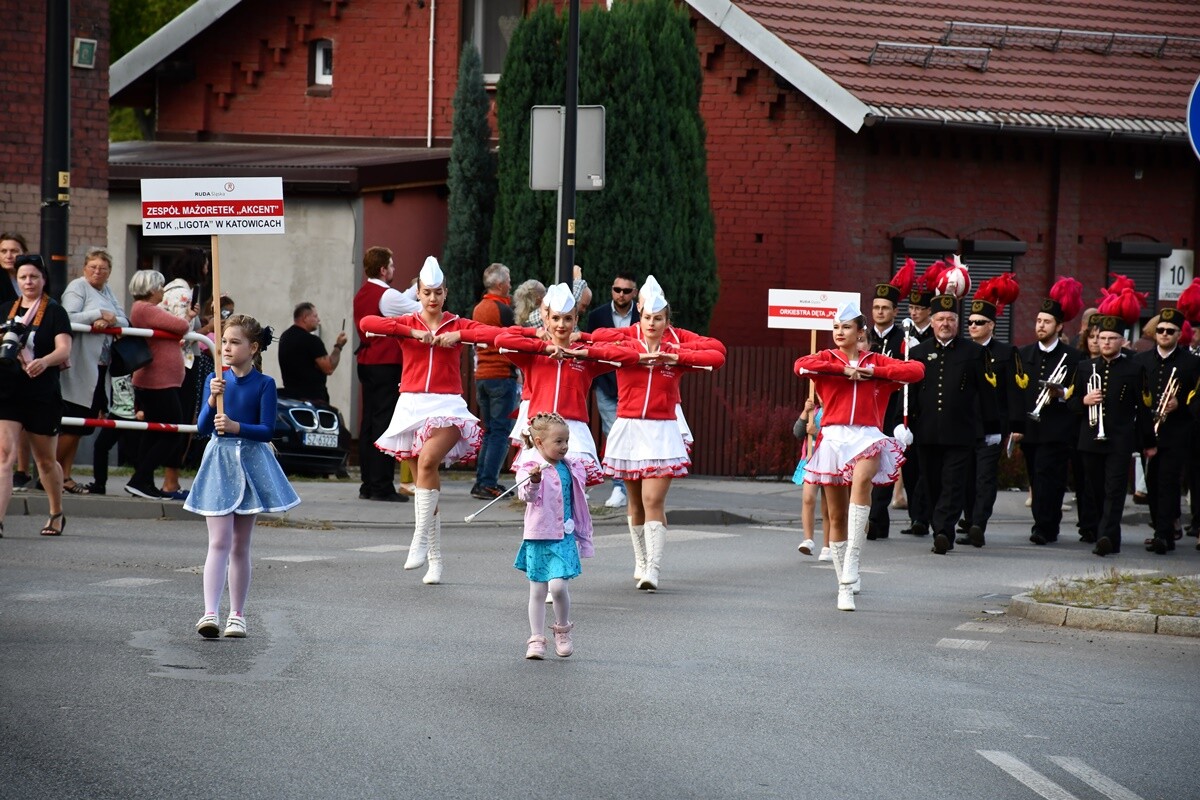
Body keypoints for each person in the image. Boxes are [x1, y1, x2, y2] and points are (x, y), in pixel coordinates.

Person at [359, 256, 506, 585]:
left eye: (438, 292)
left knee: (426, 463)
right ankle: (436, 560)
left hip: (447, 405)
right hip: (411, 404)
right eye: (426, 292)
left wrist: (461, 338)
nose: (432, 299)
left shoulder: (457, 324)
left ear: (446, 293)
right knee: (425, 483)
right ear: (419, 293)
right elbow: (368, 323)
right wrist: (410, 331)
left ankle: (418, 540)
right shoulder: (408, 320)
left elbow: (494, 333)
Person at [588, 276, 725, 592]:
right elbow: (596, 338)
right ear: (640, 313)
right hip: (629, 427)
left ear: (667, 319)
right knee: (634, 501)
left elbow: (716, 353)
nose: (652, 323)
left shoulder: (674, 345)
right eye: (647, 317)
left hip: (663, 428)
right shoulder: (627, 340)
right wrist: (634, 349)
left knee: (653, 499)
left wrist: (677, 356)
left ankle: (654, 568)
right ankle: (640, 559)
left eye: (659, 318)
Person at [794, 302, 924, 610]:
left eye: (846, 327)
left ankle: (853, 558)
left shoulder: (876, 361)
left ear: (860, 332)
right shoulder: (826, 359)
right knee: (836, 516)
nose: (840, 333)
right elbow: (801, 365)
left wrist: (871, 372)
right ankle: (844, 584)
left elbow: (916, 370)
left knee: (862, 479)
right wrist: (842, 370)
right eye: (836, 328)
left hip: (867, 435)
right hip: (833, 437)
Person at [186, 314, 299, 638]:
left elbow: (266, 430)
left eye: (234, 342)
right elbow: (203, 428)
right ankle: (210, 613)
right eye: (224, 342)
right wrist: (210, 399)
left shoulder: (264, 384)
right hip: (219, 462)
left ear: (253, 348)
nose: (227, 348)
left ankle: (237, 614)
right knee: (218, 541)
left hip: (249, 463)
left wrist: (237, 427)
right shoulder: (218, 380)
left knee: (240, 545)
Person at [495, 282, 638, 486]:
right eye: (555, 318)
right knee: (539, 492)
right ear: (547, 319)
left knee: (571, 488)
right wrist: (540, 344)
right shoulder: (534, 354)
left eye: (567, 319)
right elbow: (502, 339)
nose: (561, 324)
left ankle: (571, 519)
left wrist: (586, 350)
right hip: (541, 429)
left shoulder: (584, 357)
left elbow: (629, 356)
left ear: (576, 320)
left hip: (573, 432)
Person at [908, 294, 1001, 556]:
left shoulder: (974, 353)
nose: (945, 323)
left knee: (953, 483)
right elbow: (910, 395)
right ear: (933, 321)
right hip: (926, 432)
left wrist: (993, 429)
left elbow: (987, 393)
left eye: (950, 319)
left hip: (961, 433)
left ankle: (943, 532)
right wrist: (902, 425)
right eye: (940, 319)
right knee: (932, 483)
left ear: (957, 322)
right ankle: (940, 524)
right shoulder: (918, 353)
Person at [1070, 315, 1156, 557]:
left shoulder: (1134, 369)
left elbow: (1144, 407)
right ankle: (1104, 533)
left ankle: (1107, 536)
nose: (1105, 342)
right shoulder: (1086, 367)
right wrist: (1084, 401)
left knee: (1114, 489)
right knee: (1095, 490)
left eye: (1111, 338)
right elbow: (1071, 403)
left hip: (1120, 439)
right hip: (1090, 438)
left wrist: (1148, 442)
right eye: (1101, 338)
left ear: (1122, 340)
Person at [0, 255, 73, 537]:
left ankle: (56, 512)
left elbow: (64, 349)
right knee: (4, 455)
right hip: (8, 391)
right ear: (16, 281)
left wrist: (45, 361)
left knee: (44, 460)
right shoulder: (6, 310)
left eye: (34, 277)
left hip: (41, 391)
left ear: (43, 279)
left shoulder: (54, 312)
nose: (28, 282)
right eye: (23, 278)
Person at [513, 412, 594, 659]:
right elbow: (525, 496)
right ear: (539, 443)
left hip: (563, 537)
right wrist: (534, 480)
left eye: (566, 441)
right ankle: (536, 639)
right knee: (537, 591)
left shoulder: (571, 467)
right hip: (538, 537)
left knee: (558, 588)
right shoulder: (529, 469)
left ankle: (562, 629)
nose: (565, 446)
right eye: (558, 441)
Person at [1012, 278, 1084, 546]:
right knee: (1036, 476)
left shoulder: (1072, 357)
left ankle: (1044, 525)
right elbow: (1017, 392)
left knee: (1049, 478)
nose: (1041, 326)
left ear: (1059, 326)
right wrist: (1016, 425)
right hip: (1031, 428)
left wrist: (1062, 393)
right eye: (1039, 321)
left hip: (1057, 428)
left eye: (1047, 322)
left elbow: (1078, 393)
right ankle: (1044, 523)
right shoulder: (1024, 353)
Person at [958, 284, 1026, 547]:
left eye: (979, 322)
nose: (973, 326)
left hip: (993, 425)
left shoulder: (1006, 353)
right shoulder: (962, 351)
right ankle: (968, 519)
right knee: (966, 477)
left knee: (985, 476)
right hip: (964, 425)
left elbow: (1016, 391)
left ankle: (978, 524)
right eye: (971, 322)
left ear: (992, 325)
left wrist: (1016, 425)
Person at [57, 248, 129, 493]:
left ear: (109, 272)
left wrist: (108, 320)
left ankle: (65, 476)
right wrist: (97, 315)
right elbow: (67, 317)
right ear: (84, 268)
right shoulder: (78, 287)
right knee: (72, 423)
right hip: (79, 366)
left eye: (103, 268)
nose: (97, 271)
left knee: (83, 425)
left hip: (100, 367)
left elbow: (123, 319)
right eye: (93, 267)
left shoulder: (107, 290)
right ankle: (50, 470)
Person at [352, 246, 420, 503]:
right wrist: (423, 291)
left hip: (368, 362)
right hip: (385, 363)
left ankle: (368, 483)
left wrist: (415, 288)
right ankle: (381, 485)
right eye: (391, 266)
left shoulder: (365, 293)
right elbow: (414, 309)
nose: (394, 269)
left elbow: (398, 300)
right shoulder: (387, 295)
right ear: (383, 269)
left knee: (369, 422)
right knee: (384, 423)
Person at [1133, 307, 1199, 554]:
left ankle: (1164, 535)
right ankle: (1162, 527)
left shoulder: (1191, 363)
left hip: (1176, 431)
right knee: (1151, 481)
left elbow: (1197, 398)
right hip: (1148, 430)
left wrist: (1180, 404)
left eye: (1170, 331)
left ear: (1178, 334)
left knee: (1168, 481)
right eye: (1160, 330)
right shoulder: (1140, 360)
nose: (1164, 334)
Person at [125, 269, 192, 500]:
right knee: (173, 431)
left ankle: (142, 482)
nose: (163, 292)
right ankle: (140, 478)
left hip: (159, 380)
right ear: (152, 289)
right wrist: (182, 323)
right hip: (157, 381)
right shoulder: (145, 309)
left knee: (153, 433)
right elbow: (182, 326)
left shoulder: (147, 310)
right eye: (161, 287)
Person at [865, 262, 914, 540]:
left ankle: (874, 519)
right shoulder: (864, 337)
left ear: (895, 311)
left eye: (885, 308)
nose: (880, 312)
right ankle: (877, 521)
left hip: (891, 412)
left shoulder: (905, 339)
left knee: (883, 465)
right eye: (876, 308)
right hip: (866, 409)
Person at [159, 249, 211, 498]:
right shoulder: (182, 293)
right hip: (182, 364)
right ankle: (170, 482)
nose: (207, 270)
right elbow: (181, 333)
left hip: (183, 363)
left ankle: (172, 480)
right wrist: (209, 327)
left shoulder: (181, 291)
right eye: (205, 265)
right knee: (180, 422)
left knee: (182, 421)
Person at [278, 302, 352, 476]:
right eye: (315, 316)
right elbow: (328, 367)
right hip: (314, 397)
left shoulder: (285, 337)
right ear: (305, 317)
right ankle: (327, 467)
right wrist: (338, 346)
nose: (318, 321)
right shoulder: (311, 341)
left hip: (292, 396)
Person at [586, 271, 639, 508]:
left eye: (626, 290)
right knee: (614, 433)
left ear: (634, 293)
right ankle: (619, 486)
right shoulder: (598, 316)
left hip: (634, 386)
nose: (621, 294)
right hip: (606, 384)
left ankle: (633, 486)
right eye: (617, 289)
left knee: (634, 436)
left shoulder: (643, 316)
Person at [470, 263, 518, 500]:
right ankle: (488, 483)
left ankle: (482, 481)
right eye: (508, 280)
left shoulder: (479, 308)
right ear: (500, 284)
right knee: (500, 432)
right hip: (501, 375)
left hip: (482, 377)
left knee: (490, 431)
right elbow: (516, 340)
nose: (510, 284)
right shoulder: (503, 310)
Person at [897, 284, 935, 536]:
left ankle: (925, 516)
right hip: (909, 408)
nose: (914, 312)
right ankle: (915, 518)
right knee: (909, 469)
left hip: (930, 409)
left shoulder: (935, 333)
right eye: (911, 307)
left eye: (920, 308)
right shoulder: (904, 334)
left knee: (927, 469)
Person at [0, 233, 35, 489]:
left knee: (22, 415)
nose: (9, 256)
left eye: (14, 250)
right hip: (4, 351)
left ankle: (23, 468)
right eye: (3, 251)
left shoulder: (32, 278)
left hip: (28, 353)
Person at [83, 373, 141, 495]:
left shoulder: (134, 359)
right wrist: (102, 406)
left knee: (135, 452)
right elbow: (101, 378)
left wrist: (142, 407)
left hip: (133, 414)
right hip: (116, 412)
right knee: (101, 446)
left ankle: (142, 484)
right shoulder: (110, 359)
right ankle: (99, 484)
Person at [792, 397, 831, 559]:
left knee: (828, 507)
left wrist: (818, 433)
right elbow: (798, 432)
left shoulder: (835, 414)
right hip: (811, 460)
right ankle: (808, 539)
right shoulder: (814, 411)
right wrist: (805, 412)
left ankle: (828, 546)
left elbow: (838, 438)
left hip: (829, 463)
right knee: (808, 499)